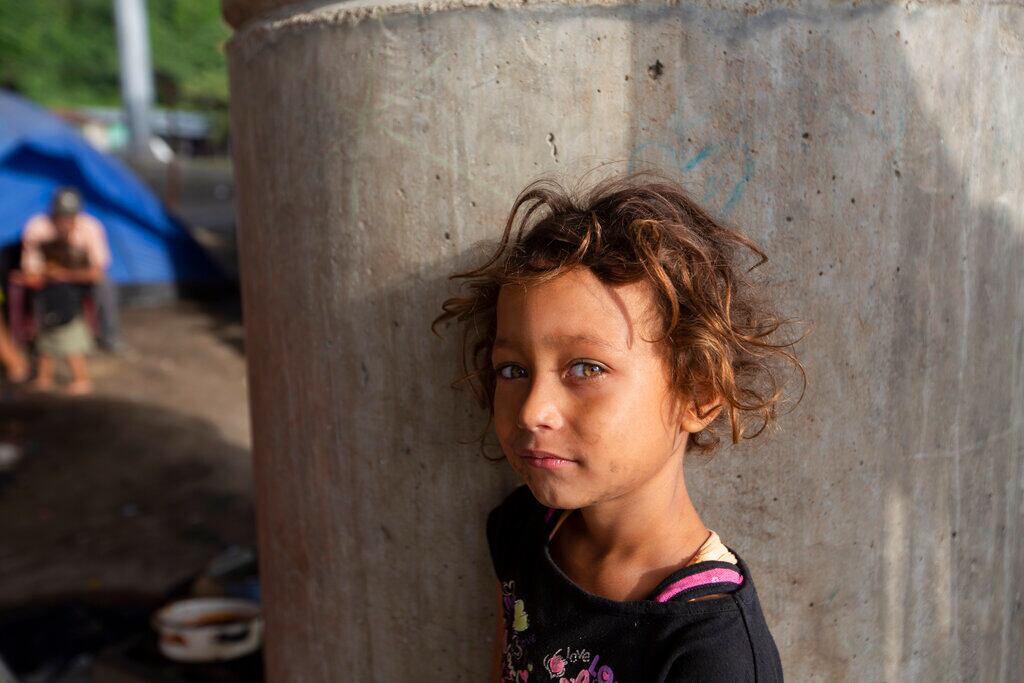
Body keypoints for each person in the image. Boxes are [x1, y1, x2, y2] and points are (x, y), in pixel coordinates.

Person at [435, 172, 806, 682]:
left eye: (586, 368)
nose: (531, 411)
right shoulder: (524, 529)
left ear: (697, 393)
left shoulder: (715, 653)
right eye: (513, 370)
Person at [21, 187, 120, 351]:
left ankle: (109, 335)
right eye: (61, 217)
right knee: (40, 291)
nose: (65, 222)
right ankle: (38, 337)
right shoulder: (38, 227)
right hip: (49, 279)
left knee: (106, 287)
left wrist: (66, 275)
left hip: (80, 277)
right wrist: (49, 273)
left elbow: (97, 270)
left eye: (70, 217)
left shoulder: (90, 227)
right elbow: (31, 269)